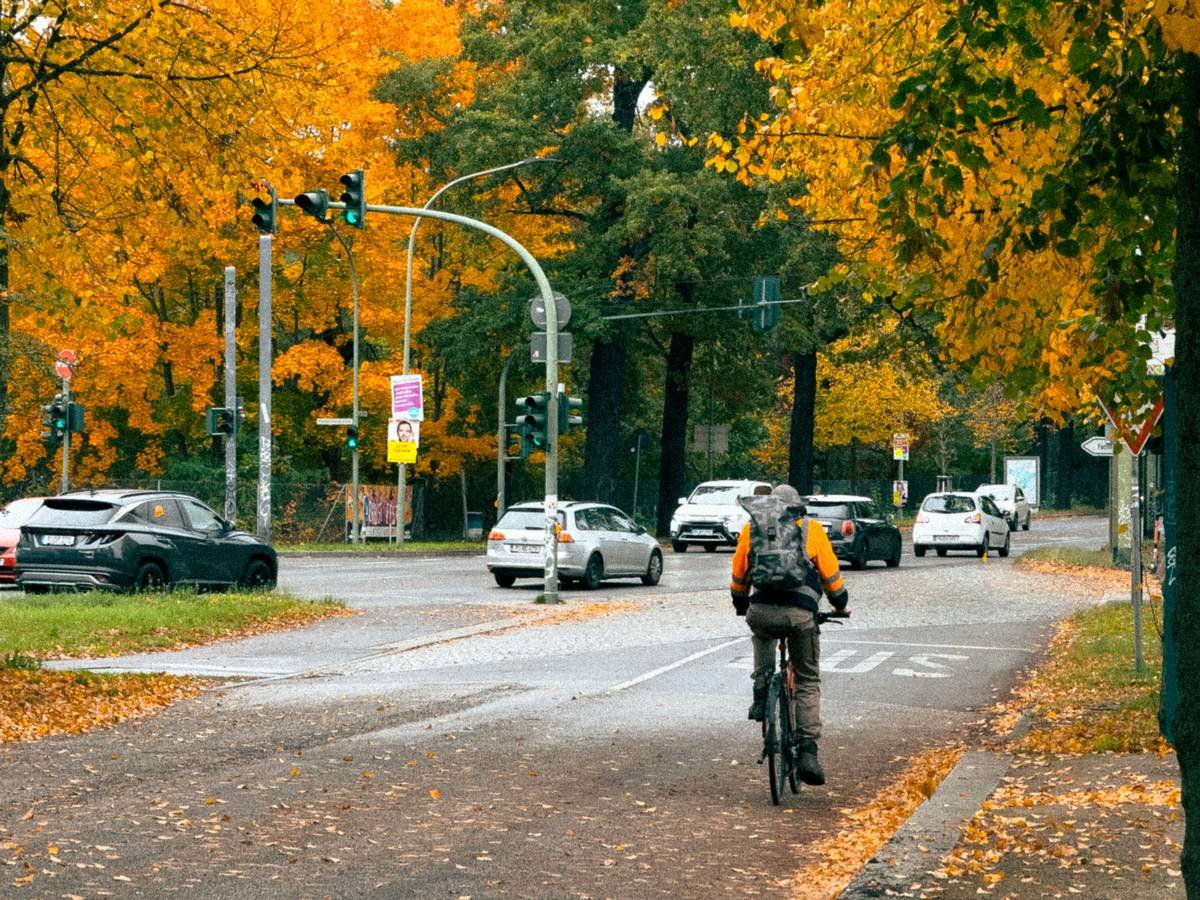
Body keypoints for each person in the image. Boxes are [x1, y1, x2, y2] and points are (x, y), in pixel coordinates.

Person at [730, 483, 849, 786]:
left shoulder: (752, 528)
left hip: (761, 609)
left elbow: (739, 573)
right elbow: (831, 577)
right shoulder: (811, 530)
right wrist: (840, 604)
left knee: (761, 634)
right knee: (807, 679)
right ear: (798, 506)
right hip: (800, 614)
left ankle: (761, 695)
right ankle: (808, 752)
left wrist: (741, 604)